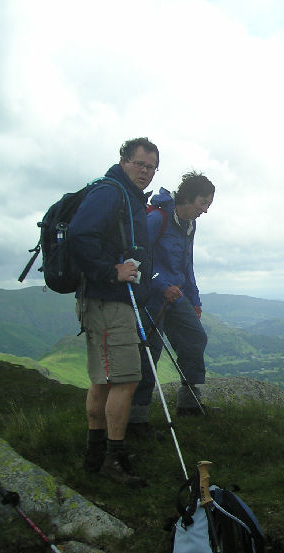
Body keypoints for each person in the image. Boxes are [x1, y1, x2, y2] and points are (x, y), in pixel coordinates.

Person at [68, 137, 159, 485]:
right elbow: (79, 235)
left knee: (103, 380)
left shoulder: (125, 196)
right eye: (139, 164)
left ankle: (95, 454)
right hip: (110, 300)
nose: (145, 172)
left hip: (105, 300)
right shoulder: (111, 193)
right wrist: (112, 271)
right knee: (126, 379)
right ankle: (114, 459)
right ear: (123, 161)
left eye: (151, 167)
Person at [128, 171, 215, 435]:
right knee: (149, 353)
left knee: (195, 337)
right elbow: (139, 258)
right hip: (152, 298)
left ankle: (188, 403)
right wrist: (162, 285)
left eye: (208, 205)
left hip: (177, 296)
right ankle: (136, 419)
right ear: (188, 197)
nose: (204, 210)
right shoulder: (157, 218)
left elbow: (186, 264)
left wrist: (195, 299)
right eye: (202, 203)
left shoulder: (189, 224)